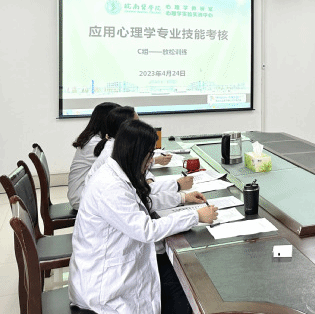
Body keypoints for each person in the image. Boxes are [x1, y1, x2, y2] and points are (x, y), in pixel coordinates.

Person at [69, 119, 218, 314]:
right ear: (136, 153)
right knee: (185, 293)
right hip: (105, 286)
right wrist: (195, 217)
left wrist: (182, 198)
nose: (150, 162)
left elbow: (143, 201)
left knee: (181, 280)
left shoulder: (116, 172)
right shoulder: (110, 187)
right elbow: (147, 230)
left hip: (115, 266)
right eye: (150, 155)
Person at [67, 101, 120, 209]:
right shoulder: (94, 143)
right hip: (80, 197)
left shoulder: (96, 137)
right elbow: (120, 164)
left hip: (86, 191)